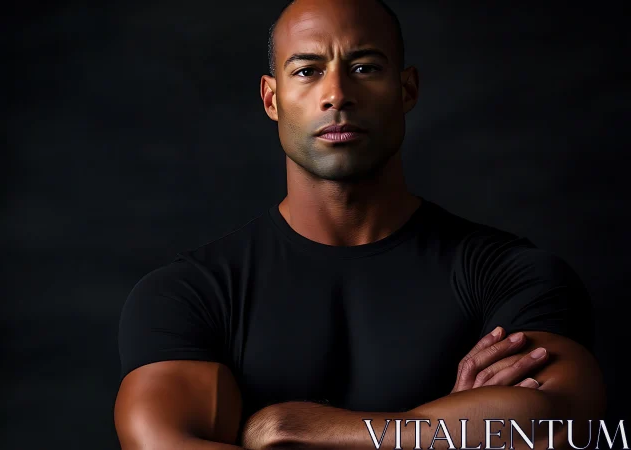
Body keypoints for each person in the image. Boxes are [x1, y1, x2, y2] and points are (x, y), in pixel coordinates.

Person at [114, 0, 606, 448]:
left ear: (406, 88)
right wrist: (438, 434)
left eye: (364, 67)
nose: (337, 94)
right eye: (307, 70)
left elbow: (563, 431)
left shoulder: (514, 275)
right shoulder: (185, 295)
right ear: (272, 99)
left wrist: (288, 427)